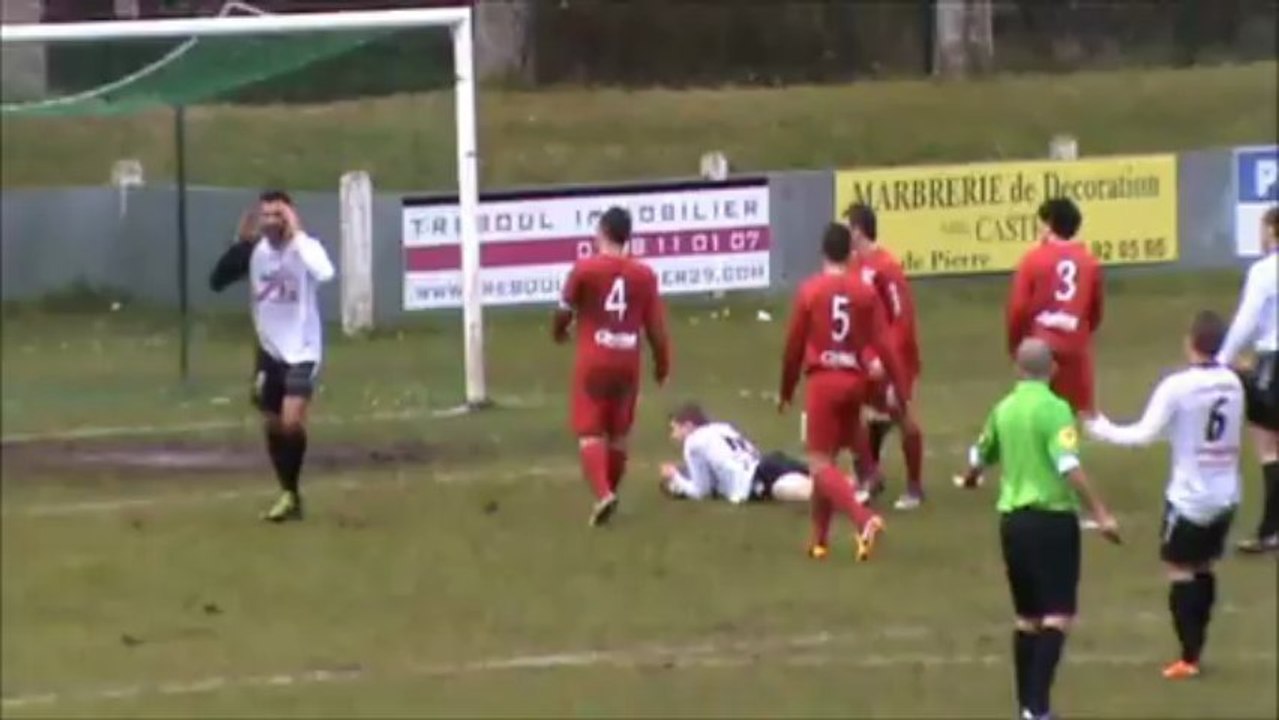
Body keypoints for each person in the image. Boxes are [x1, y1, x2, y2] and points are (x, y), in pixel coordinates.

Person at [958, 337, 1120, 720]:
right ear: (1053, 370)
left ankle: (1026, 709)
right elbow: (1067, 465)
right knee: (1058, 615)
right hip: (1051, 520)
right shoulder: (1056, 409)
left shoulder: (1003, 408)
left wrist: (969, 477)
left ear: (1017, 369)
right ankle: (1036, 708)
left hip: (1013, 523)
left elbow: (980, 454)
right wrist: (1101, 512)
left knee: (1027, 618)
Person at [1086, 311, 1243, 679]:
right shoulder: (1234, 383)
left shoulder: (1177, 386)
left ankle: (1188, 657)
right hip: (1226, 494)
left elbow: (1141, 435)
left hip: (1189, 498)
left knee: (1179, 569)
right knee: (1204, 566)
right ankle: (1197, 647)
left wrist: (1099, 426)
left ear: (1190, 342)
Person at [779, 222, 912, 561]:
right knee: (830, 460)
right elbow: (884, 344)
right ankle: (819, 540)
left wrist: (786, 389)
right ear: (849, 253)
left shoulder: (810, 291)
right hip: (855, 382)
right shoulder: (864, 293)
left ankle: (863, 519)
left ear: (823, 252)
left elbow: (794, 346)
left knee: (819, 464)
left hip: (823, 382)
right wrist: (900, 385)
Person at [209, 190, 335, 522]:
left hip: (304, 350)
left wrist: (299, 233)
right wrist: (239, 244)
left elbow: (325, 272)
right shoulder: (255, 252)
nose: (270, 222)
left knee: (292, 420)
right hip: (269, 351)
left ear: (290, 217)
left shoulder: (305, 249)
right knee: (272, 423)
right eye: (265, 215)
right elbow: (216, 281)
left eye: (277, 215)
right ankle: (290, 494)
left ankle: (290, 493)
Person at [553, 206, 671, 527]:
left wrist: (559, 332)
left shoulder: (585, 269)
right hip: (627, 361)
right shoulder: (644, 275)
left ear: (602, 232)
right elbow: (656, 328)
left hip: (594, 359)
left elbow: (564, 311)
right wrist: (663, 364)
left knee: (590, 432)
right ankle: (609, 495)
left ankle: (604, 494)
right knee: (618, 434)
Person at [846, 202, 926, 510]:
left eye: (849, 228)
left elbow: (901, 318)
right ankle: (871, 477)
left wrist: (887, 359)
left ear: (858, 230)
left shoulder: (887, 268)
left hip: (895, 359)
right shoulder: (856, 267)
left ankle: (915, 488)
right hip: (868, 360)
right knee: (862, 416)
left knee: (900, 414)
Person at [1215, 205, 1279, 554]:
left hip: (1273, 361)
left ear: (1272, 231)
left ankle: (1271, 530)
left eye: (1264, 228)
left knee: (1269, 448)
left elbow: (1247, 319)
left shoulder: (1264, 271)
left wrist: (1221, 359)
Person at [1006, 198, 1104, 417]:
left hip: (1040, 346)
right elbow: (1095, 311)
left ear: (1049, 225)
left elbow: (1018, 309)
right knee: (1068, 415)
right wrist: (1081, 334)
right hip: (1075, 346)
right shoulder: (1089, 262)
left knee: (1034, 412)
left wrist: (1015, 345)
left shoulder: (1032, 260)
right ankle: (1065, 450)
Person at [659, 402, 814, 504]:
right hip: (770, 461)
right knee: (823, 478)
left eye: (675, 428)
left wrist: (675, 476)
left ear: (688, 426)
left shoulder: (693, 442)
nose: (673, 435)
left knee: (798, 492)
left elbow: (701, 492)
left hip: (755, 478)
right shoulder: (721, 427)